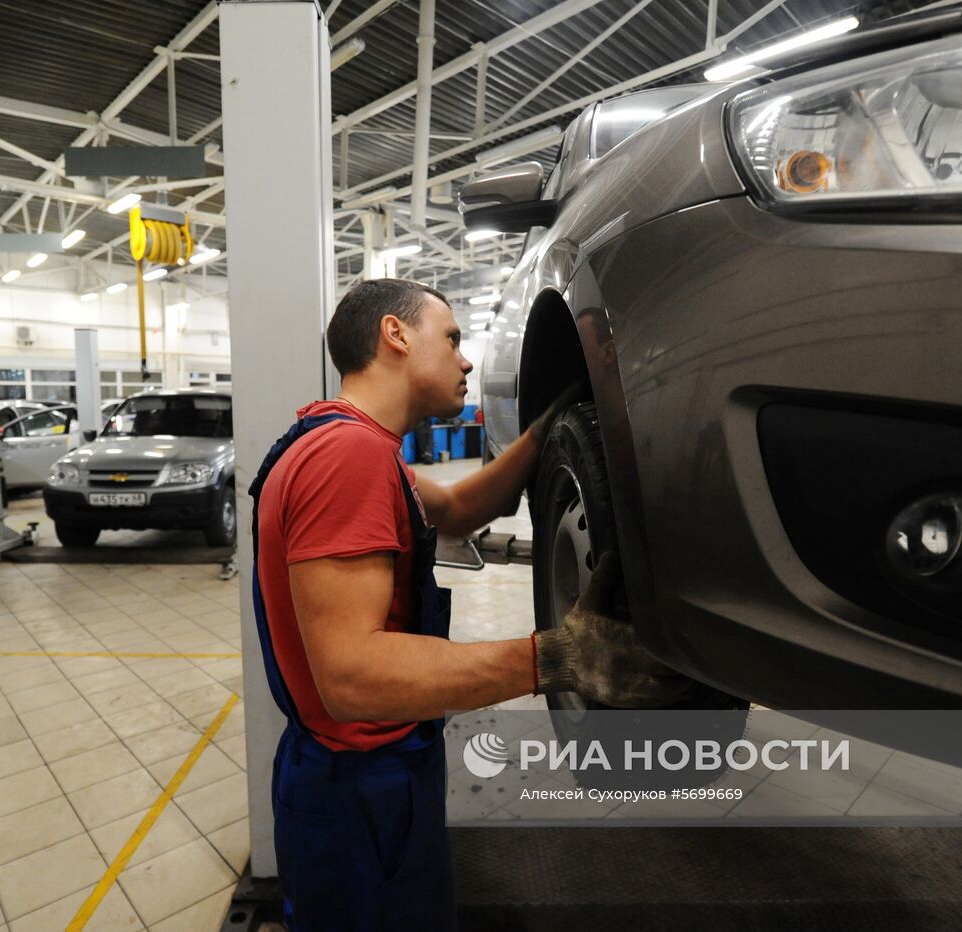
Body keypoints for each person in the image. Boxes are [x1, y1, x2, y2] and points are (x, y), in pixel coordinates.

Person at [249, 278, 686, 931]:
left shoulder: (342, 444)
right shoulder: (349, 458)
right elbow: (350, 676)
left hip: (363, 781)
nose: (467, 359)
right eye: (451, 338)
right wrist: (554, 659)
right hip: (361, 798)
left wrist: (543, 430)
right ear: (395, 335)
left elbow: (461, 507)